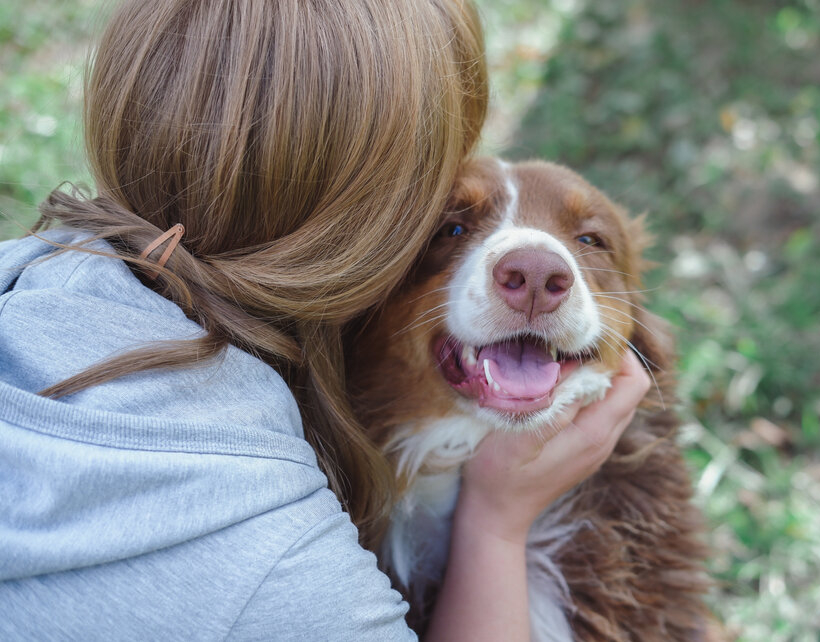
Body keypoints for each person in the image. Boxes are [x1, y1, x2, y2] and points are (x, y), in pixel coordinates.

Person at [0, 1, 650, 640]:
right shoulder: (284, 570)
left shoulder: (28, 272)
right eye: (444, 220)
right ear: (374, 234)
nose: (532, 264)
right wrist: (497, 524)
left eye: (589, 241)